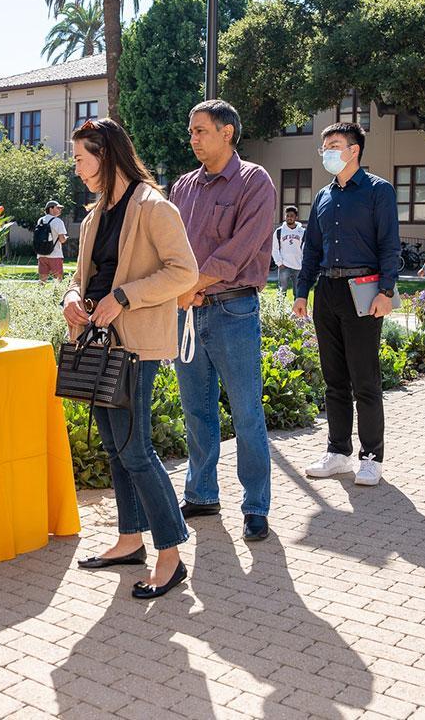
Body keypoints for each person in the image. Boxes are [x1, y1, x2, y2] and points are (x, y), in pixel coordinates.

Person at [62, 118, 199, 599]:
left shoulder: (153, 206)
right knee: (118, 450)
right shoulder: (95, 213)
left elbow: (185, 272)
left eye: (81, 157)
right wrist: (71, 297)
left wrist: (124, 296)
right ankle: (129, 540)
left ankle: (171, 555)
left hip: (135, 345)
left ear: (106, 154)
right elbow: (85, 277)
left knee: (136, 450)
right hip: (98, 344)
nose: (75, 167)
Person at [170, 99, 278, 541]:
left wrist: (190, 286)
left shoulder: (255, 181)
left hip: (233, 309)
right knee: (196, 411)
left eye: (201, 131)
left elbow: (239, 251)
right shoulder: (183, 186)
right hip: (188, 313)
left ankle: (255, 506)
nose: (193, 139)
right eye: (191, 131)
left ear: (227, 132)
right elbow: (173, 248)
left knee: (247, 412)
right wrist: (181, 290)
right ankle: (201, 494)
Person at [295, 123, 401, 486]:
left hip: (364, 290)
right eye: (324, 146)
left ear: (354, 150)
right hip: (327, 291)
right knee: (334, 379)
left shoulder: (378, 191)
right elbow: (312, 248)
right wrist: (300, 291)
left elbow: (390, 244)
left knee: (364, 378)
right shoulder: (323, 196)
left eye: (334, 145)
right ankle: (338, 451)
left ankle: (371, 456)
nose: (326, 151)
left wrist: (386, 292)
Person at [272, 205, 305, 298]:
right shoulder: (279, 231)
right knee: (281, 291)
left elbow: (305, 248)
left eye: (292, 215)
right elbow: (274, 248)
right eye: (287, 215)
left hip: (298, 266)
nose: (289, 217)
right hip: (284, 266)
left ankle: (297, 312)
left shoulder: (302, 231)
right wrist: (279, 263)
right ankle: (280, 311)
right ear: (285, 217)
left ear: (296, 217)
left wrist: (303, 262)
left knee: (298, 292)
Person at [36, 200, 67, 281]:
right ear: (51, 208)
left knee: (42, 280)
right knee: (58, 279)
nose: (60, 210)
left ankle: (40, 293)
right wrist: (65, 238)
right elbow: (62, 239)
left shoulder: (40, 220)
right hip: (55, 254)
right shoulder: (58, 221)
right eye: (58, 208)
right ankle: (56, 293)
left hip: (41, 254)